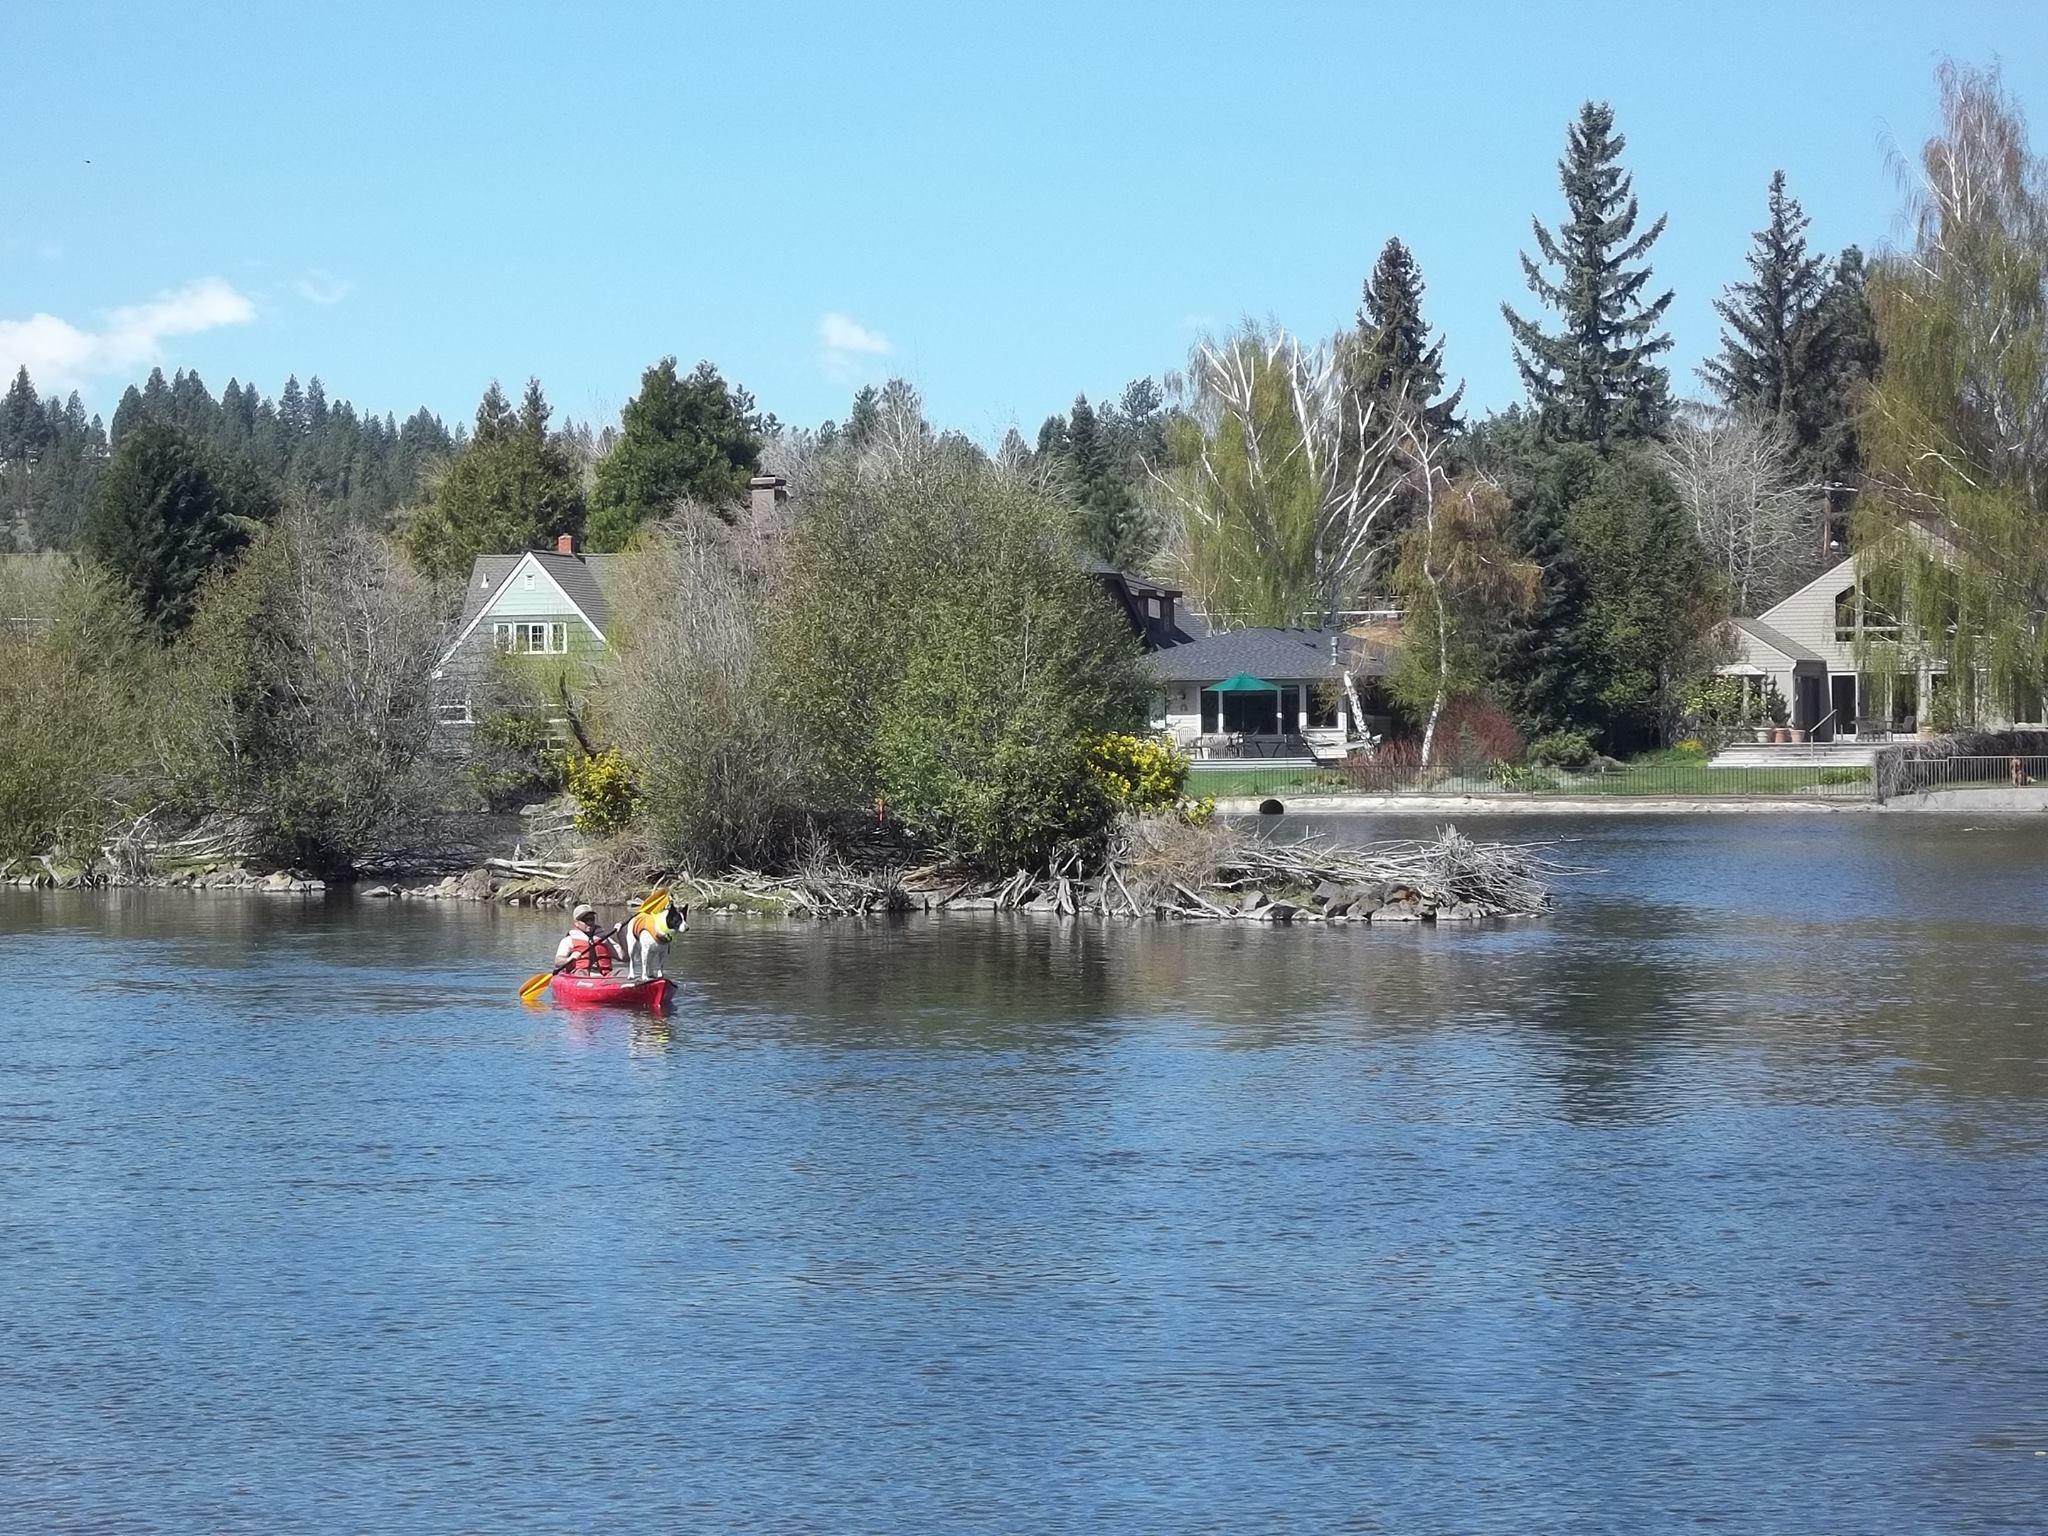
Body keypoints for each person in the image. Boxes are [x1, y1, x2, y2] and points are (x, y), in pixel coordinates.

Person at [555, 903, 619, 975]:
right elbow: (557, 962)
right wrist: (570, 958)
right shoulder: (568, 940)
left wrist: (621, 934)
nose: (589, 922)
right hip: (580, 975)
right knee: (581, 973)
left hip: (604, 976)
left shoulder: (603, 938)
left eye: (591, 919)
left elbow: (623, 957)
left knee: (620, 972)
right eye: (585, 920)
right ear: (576, 923)